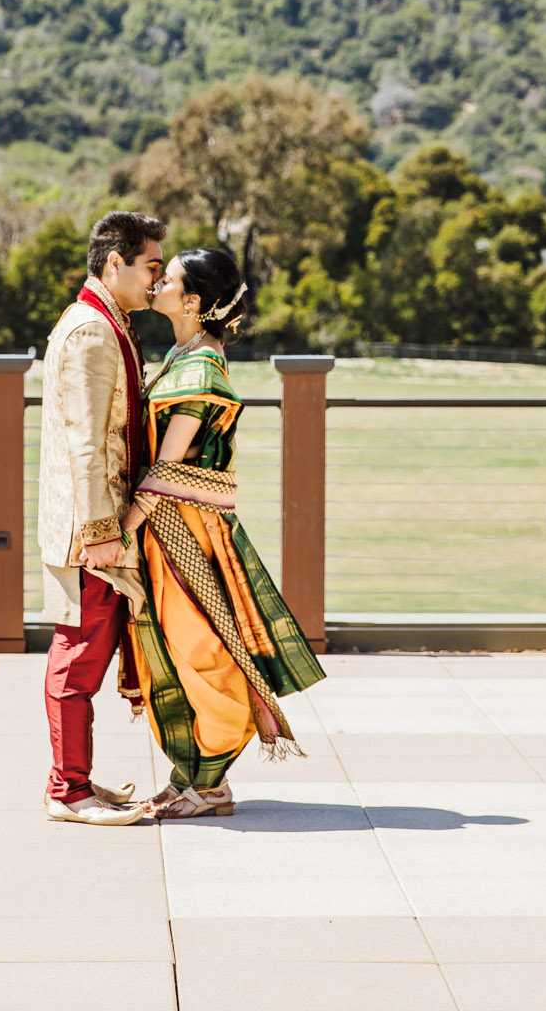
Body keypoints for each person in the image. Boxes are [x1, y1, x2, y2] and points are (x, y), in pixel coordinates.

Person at [121, 246, 325, 818]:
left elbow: (166, 468)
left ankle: (210, 780)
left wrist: (121, 529)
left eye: (168, 278)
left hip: (183, 529)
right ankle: (189, 775)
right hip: (171, 525)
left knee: (200, 648)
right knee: (170, 644)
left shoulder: (200, 369)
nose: (155, 281)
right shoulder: (182, 354)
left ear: (192, 301)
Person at [37, 211, 165, 826]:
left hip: (97, 525)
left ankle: (75, 781)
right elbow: (87, 442)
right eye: (150, 267)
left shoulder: (99, 320)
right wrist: (101, 534)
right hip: (90, 532)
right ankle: (68, 792)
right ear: (115, 263)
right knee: (78, 657)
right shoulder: (91, 330)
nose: (155, 281)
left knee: (83, 653)